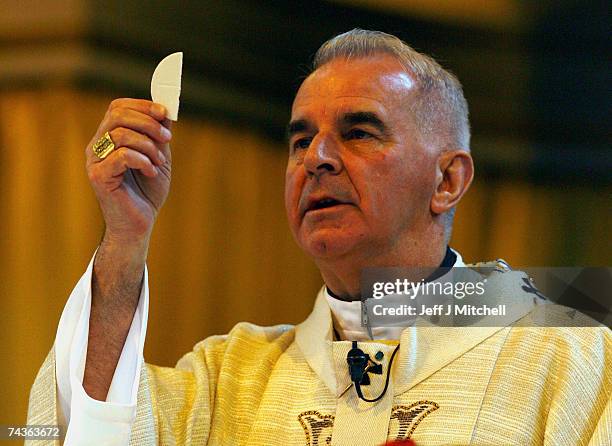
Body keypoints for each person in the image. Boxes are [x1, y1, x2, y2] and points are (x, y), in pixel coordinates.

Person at [27, 29, 610, 445]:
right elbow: (85, 430)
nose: (317, 160)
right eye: (300, 140)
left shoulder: (571, 359)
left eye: (359, 132)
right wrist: (126, 235)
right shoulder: (229, 378)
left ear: (447, 180)